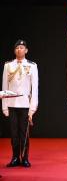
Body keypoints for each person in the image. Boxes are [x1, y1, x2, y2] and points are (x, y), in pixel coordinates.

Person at [2, 39, 38, 168]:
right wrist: (4, 107)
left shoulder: (32, 65)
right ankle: (15, 157)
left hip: (25, 105)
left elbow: (35, 88)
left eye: (22, 48)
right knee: (14, 134)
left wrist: (32, 108)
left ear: (26, 50)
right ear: (14, 50)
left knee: (24, 133)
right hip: (12, 103)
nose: (19, 50)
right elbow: (4, 86)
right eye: (17, 48)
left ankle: (25, 158)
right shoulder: (8, 65)